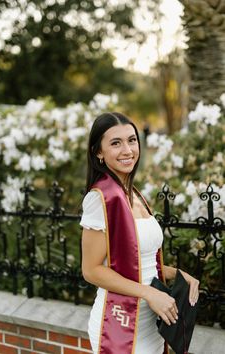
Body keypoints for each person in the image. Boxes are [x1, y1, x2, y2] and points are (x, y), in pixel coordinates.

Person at [80, 112, 199, 354]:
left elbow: (140, 263)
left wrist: (178, 274)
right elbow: (91, 270)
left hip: (151, 320)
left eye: (132, 140)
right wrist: (148, 293)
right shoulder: (101, 198)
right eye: (116, 143)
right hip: (120, 320)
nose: (127, 150)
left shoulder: (134, 194)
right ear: (98, 153)